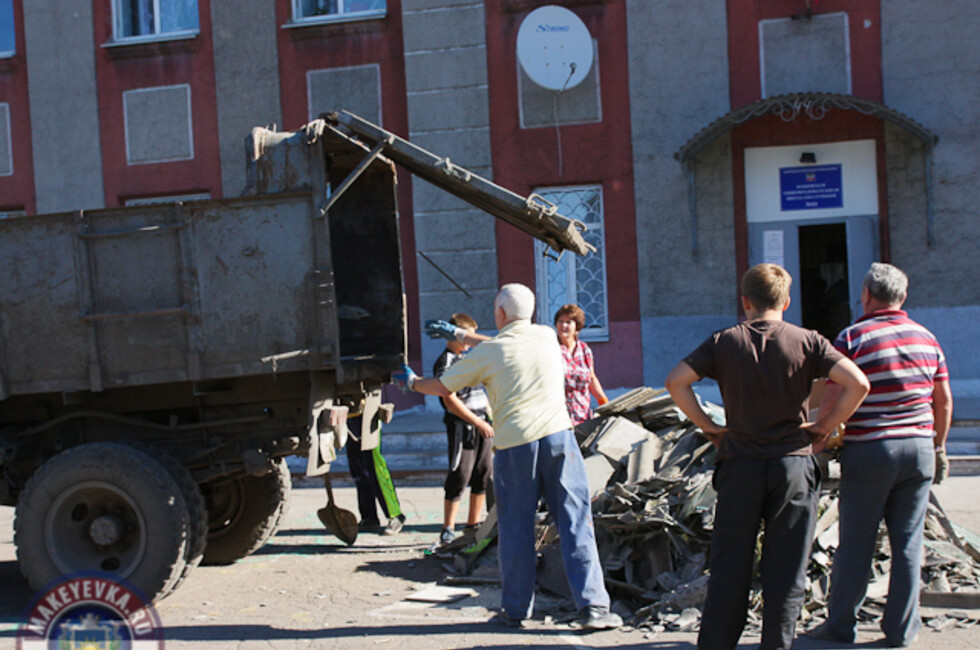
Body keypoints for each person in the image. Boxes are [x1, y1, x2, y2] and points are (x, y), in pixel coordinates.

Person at [664, 263, 869, 650]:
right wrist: (824, 426)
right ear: (787, 302)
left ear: (745, 301)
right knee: (787, 568)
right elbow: (858, 383)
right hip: (792, 465)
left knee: (730, 565)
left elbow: (676, 382)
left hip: (740, 462)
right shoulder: (808, 340)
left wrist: (708, 425)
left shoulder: (724, 341)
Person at [396, 284, 622, 630]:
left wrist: (412, 383)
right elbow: (509, 341)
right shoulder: (547, 336)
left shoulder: (491, 353)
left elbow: (443, 386)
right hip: (560, 439)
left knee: (516, 528)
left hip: (516, 447)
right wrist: (462, 334)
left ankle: (516, 610)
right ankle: (594, 607)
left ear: (499, 313)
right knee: (576, 521)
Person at [807, 263, 952, 647]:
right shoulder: (927, 338)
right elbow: (944, 400)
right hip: (919, 450)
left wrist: (821, 433)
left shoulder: (854, 337)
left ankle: (840, 627)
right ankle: (902, 632)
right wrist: (938, 447)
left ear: (867, 295)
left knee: (856, 542)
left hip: (871, 450)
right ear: (902, 298)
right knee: (907, 543)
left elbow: (836, 393)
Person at [432, 312, 494, 545]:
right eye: (468, 337)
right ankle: (448, 527)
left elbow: (481, 391)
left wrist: (488, 416)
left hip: (482, 423)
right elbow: (450, 399)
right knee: (460, 474)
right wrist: (476, 422)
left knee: (483, 474)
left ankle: (473, 525)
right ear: (454, 336)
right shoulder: (446, 361)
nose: (471, 342)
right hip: (463, 426)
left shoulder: (471, 358)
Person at [344, 409, 406, 536]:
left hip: (367, 413)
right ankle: (369, 516)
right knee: (358, 469)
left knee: (375, 466)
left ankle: (395, 515)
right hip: (348, 416)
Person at [554, 304, 609, 425]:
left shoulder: (584, 350)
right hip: (559, 420)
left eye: (568, 322)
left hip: (582, 416)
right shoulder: (552, 348)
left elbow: (592, 378)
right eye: (560, 321)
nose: (563, 325)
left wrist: (605, 404)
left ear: (577, 327)